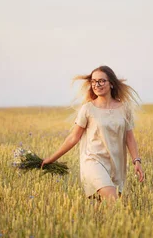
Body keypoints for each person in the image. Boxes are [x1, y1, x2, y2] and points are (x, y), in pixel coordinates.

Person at [41, 66, 145, 201]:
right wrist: (51, 159)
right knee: (113, 200)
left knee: (102, 208)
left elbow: (129, 137)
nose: (97, 85)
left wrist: (136, 161)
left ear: (111, 84)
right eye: (94, 81)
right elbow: (73, 137)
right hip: (93, 161)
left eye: (101, 81)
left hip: (116, 163)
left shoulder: (124, 109)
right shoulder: (88, 109)